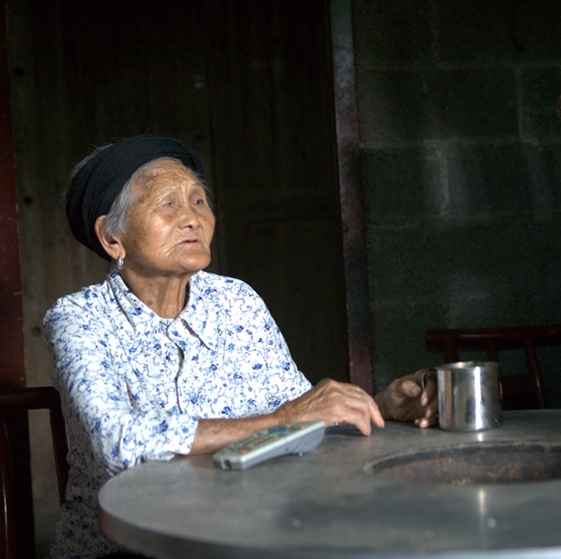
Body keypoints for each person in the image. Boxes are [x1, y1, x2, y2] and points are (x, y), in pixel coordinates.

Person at [44, 133, 438, 559]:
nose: (193, 217)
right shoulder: (79, 319)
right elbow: (116, 442)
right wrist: (283, 417)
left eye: (198, 201)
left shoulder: (236, 301)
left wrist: (377, 406)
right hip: (124, 549)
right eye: (167, 204)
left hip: (243, 535)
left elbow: (301, 418)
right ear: (112, 238)